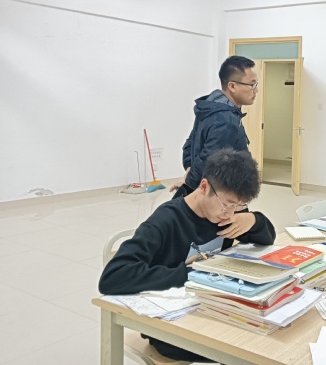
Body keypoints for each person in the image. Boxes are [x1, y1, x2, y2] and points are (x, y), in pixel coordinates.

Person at [99, 148, 275, 362]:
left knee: (265, 336)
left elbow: (267, 239)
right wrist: (195, 274)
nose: (230, 213)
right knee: (250, 353)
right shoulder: (166, 220)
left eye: (239, 206)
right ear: (204, 187)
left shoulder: (227, 215)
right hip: (171, 328)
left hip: (213, 310)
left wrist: (253, 220)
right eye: (227, 204)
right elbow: (113, 277)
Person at [172, 55, 258, 198]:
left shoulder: (211, 107)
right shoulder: (226, 120)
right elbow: (207, 161)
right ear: (232, 86)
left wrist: (189, 172)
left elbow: (189, 146)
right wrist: (189, 185)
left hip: (209, 191)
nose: (256, 90)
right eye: (252, 84)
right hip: (218, 196)